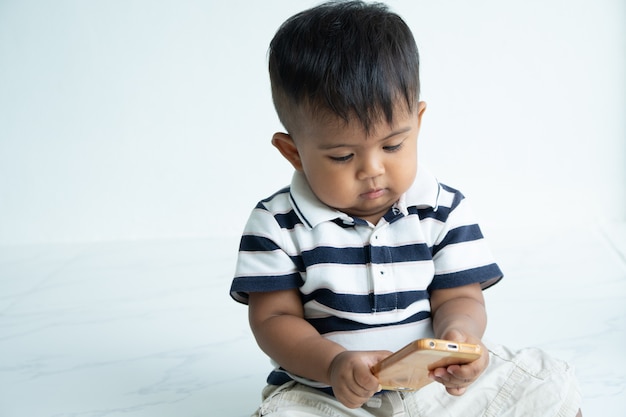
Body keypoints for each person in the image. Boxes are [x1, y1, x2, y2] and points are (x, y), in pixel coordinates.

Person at [230, 1, 582, 416]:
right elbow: (273, 321)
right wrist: (333, 363)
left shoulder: (441, 209)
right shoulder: (277, 224)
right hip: (329, 394)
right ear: (294, 152)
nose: (373, 170)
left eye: (393, 145)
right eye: (343, 156)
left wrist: (460, 338)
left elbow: (460, 296)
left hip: (434, 385)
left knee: (544, 386)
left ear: (418, 121)